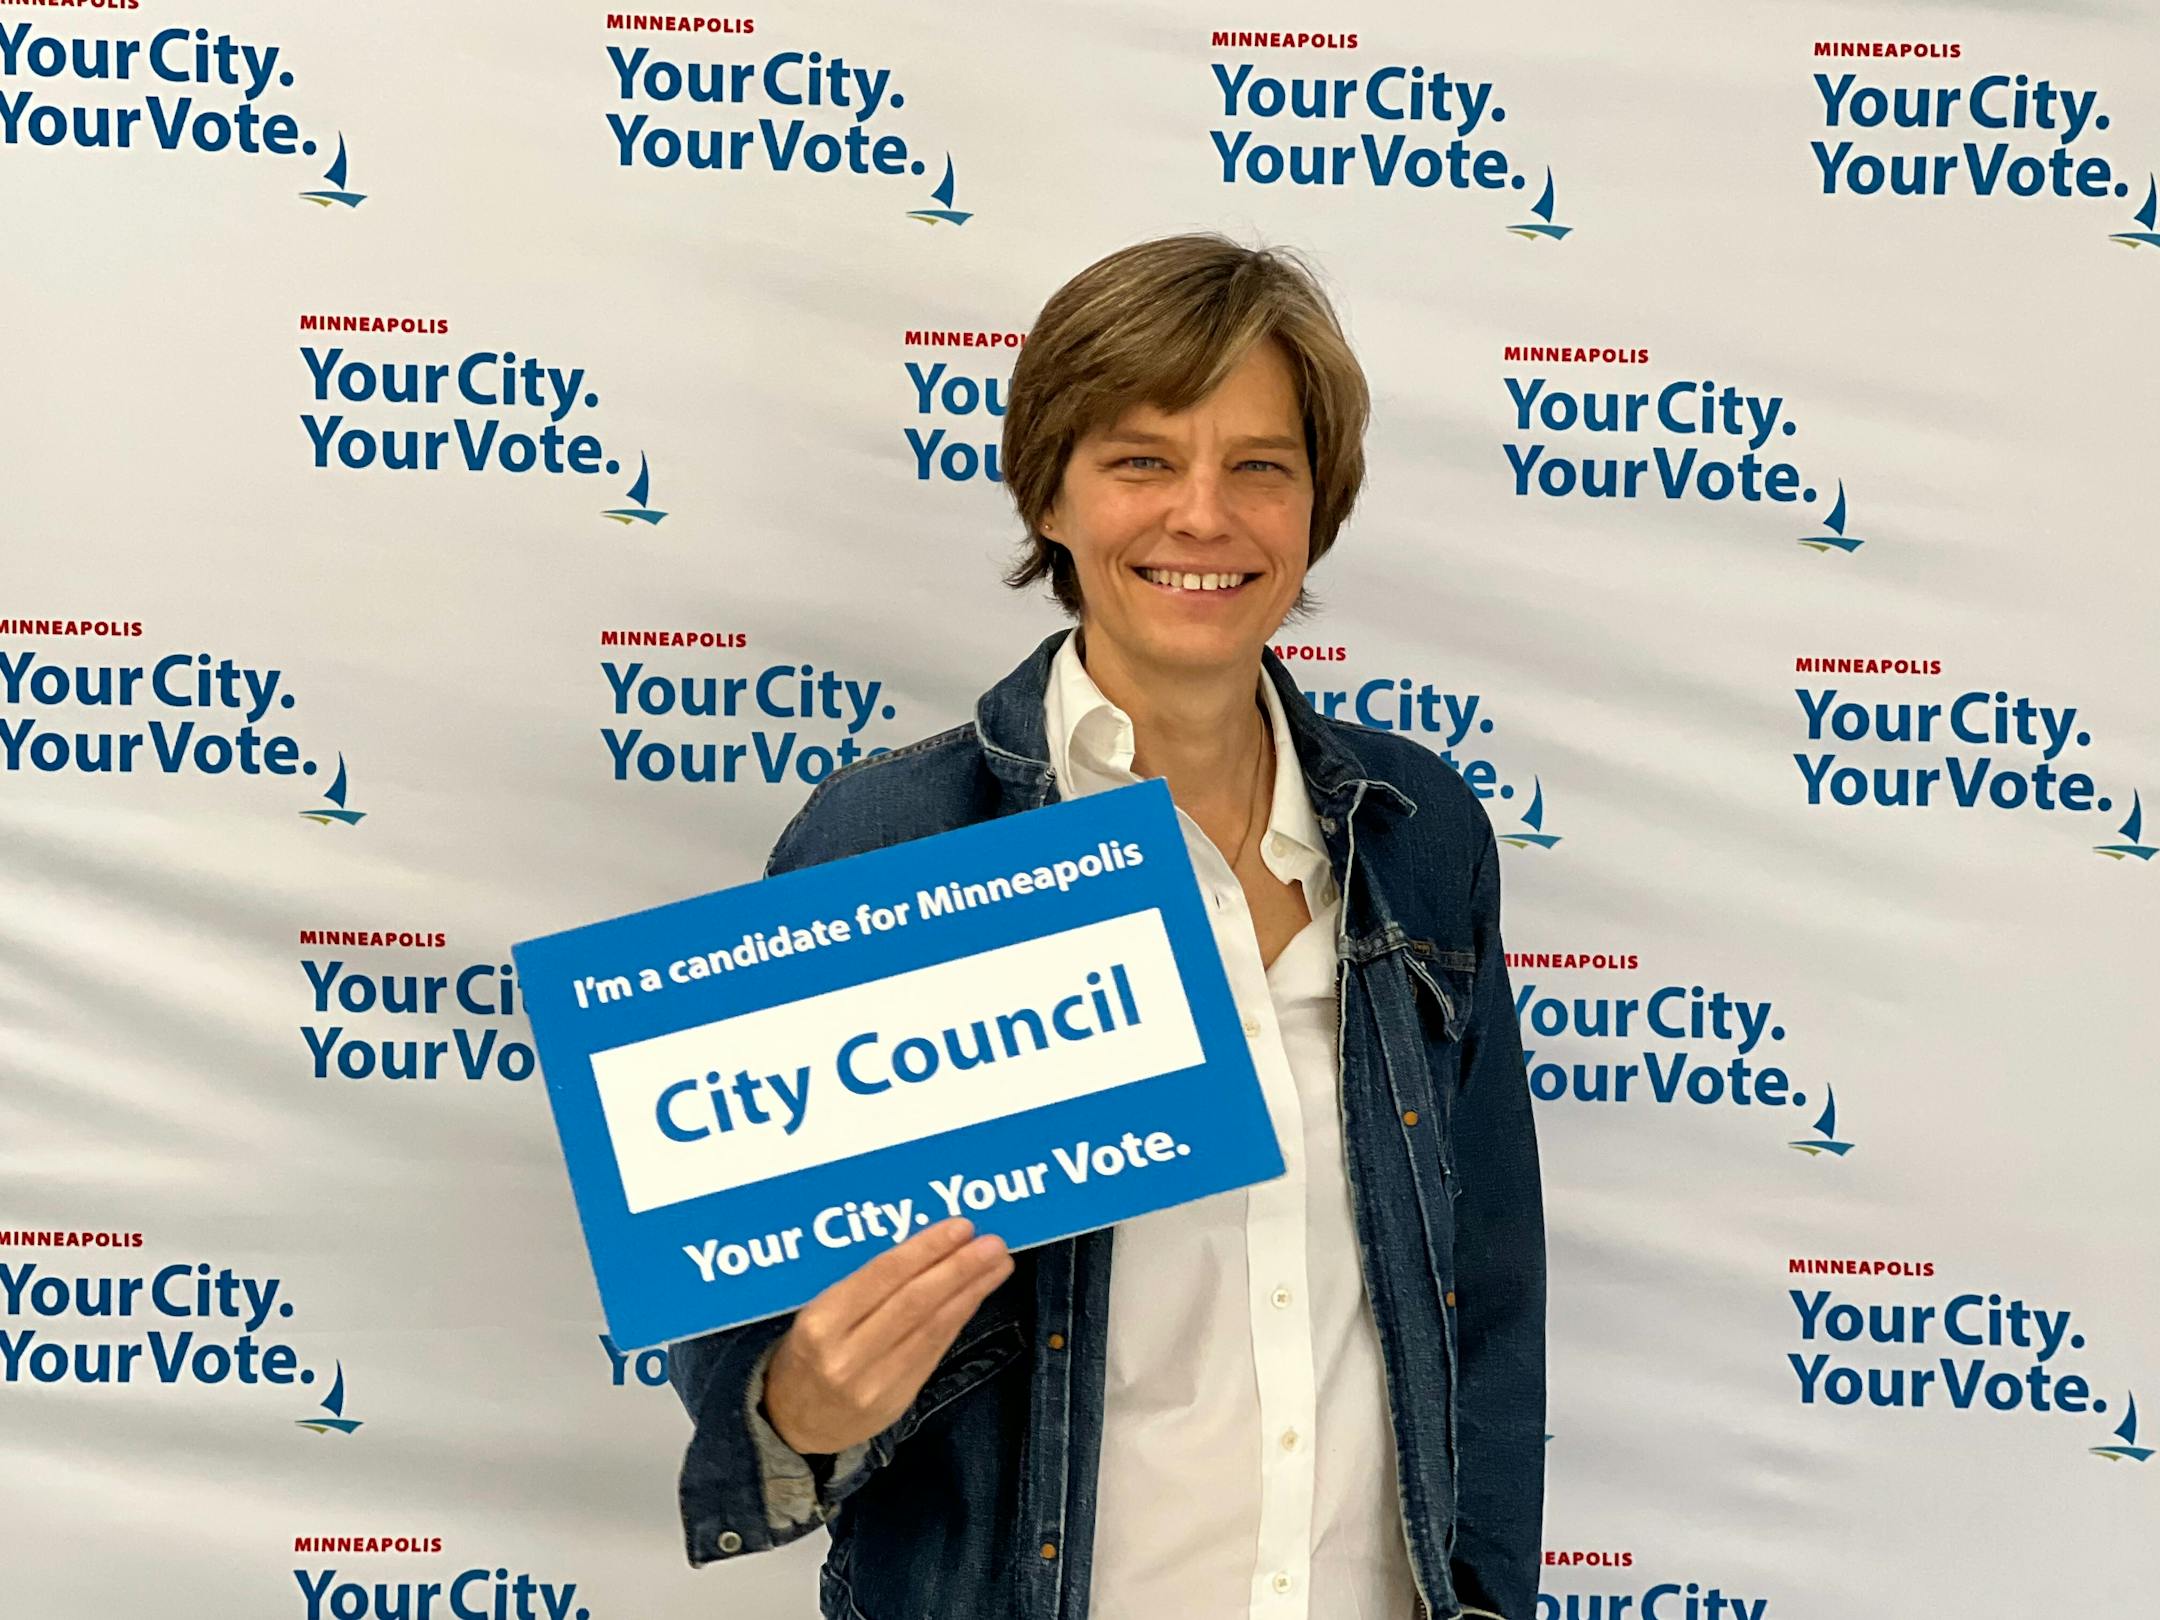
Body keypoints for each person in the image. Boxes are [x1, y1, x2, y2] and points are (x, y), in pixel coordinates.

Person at [669, 233, 1546, 1620]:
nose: (1205, 515)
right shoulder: (893, 844)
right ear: (1053, 497)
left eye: (1261, 465)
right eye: (1142, 460)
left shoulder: (1417, 835)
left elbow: (1487, 1306)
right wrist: (806, 1399)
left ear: (1317, 506)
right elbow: (753, 1388)